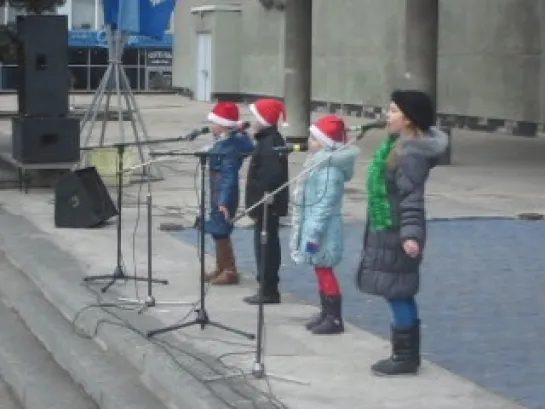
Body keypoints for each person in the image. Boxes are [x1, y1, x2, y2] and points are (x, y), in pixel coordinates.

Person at [355, 90, 448, 376]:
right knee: (397, 291)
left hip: (397, 232)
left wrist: (410, 235)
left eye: (394, 110)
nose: (388, 115)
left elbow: (411, 198)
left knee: (399, 292)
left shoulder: (410, 153)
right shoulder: (396, 146)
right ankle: (404, 353)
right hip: (388, 229)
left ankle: (405, 356)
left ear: (409, 119)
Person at [289, 114, 358, 335]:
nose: (309, 142)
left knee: (324, 268)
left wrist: (313, 234)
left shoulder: (329, 171)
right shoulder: (318, 164)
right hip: (315, 227)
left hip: (322, 231)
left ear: (326, 144)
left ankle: (334, 317)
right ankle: (326, 312)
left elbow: (324, 205)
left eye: (314, 139)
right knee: (319, 268)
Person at [243, 98, 289, 305]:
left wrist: (263, 200)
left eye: (255, 116)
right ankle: (265, 284)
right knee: (263, 244)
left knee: (266, 246)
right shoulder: (265, 140)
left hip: (267, 205)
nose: (251, 120)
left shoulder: (270, 143)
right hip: (261, 205)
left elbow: (271, 177)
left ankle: (269, 287)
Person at [203, 101, 254, 285]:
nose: (210, 127)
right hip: (218, 187)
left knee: (222, 229)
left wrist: (223, 200)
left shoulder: (229, 147)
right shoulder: (226, 141)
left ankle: (230, 270)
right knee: (217, 230)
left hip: (223, 191)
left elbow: (229, 177)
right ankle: (221, 266)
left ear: (223, 125)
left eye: (213, 123)